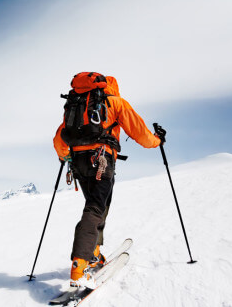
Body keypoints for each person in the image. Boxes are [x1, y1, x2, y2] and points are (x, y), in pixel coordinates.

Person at [53, 72, 162, 287]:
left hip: (79, 163)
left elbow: (60, 136)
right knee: (95, 208)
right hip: (102, 160)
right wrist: (157, 141)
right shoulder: (115, 102)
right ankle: (79, 266)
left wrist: (65, 155)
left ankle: (93, 252)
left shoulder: (76, 103)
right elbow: (141, 133)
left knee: (96, 205)